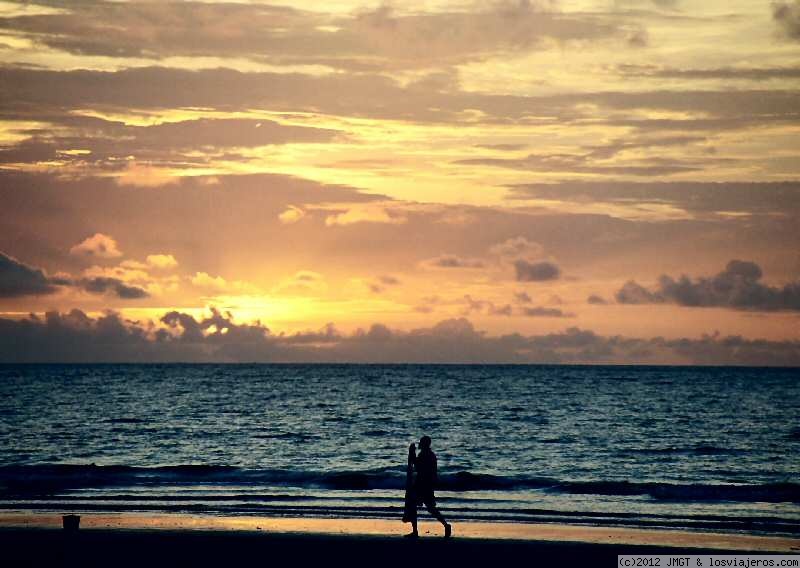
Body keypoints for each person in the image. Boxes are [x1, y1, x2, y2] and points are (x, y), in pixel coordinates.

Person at [403, 435, 452, 538]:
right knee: (429, 508)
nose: (419, 444)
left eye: (421, 442)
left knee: (416, 505)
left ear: (424, 444)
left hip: (423, 484)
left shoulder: (425, 454)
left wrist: (412, 454)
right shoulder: (430, 454)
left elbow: (418, 467)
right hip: (426, 484)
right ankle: (445, 525)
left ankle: (416, 531)